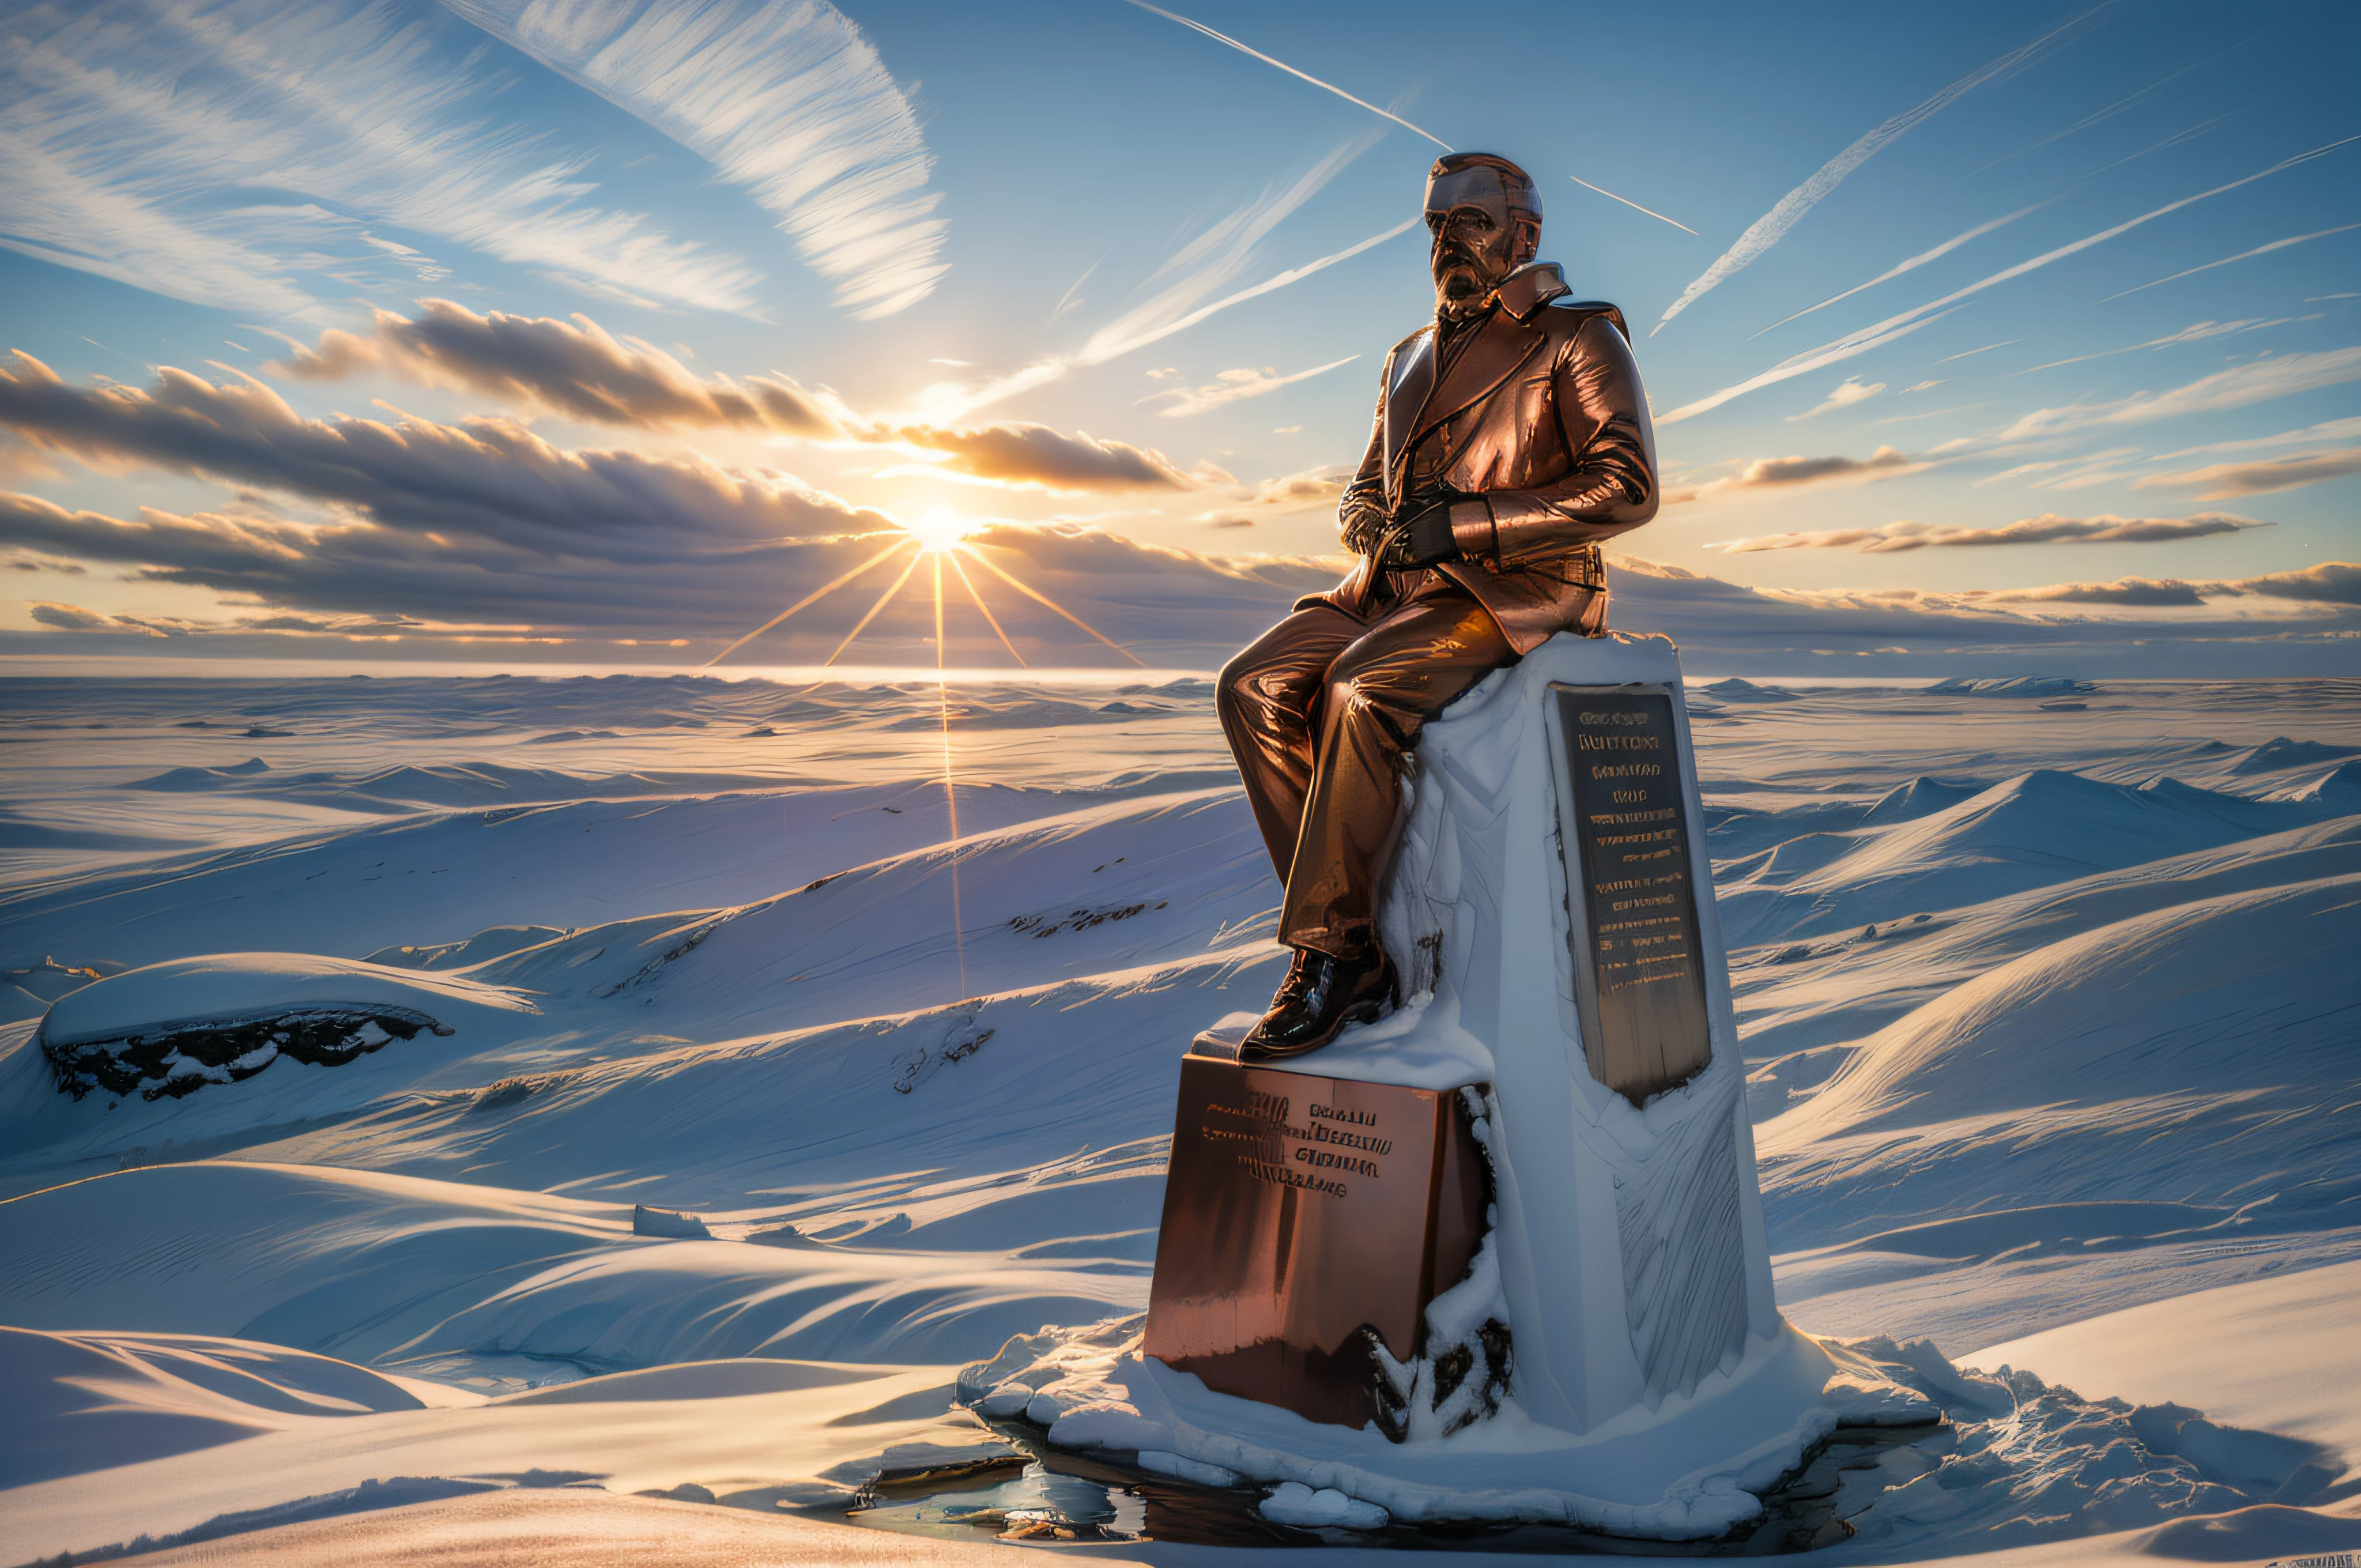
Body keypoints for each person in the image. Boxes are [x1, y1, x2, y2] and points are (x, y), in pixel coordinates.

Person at [1217, 151, 1662, 1058]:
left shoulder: (1580, 337)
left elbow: (1627, 487)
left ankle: (1333, 958)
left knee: (1359, 690)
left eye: (1470, 222)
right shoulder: (1408, 353)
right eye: (1435, 226)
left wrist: (1467, 525)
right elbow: (1365, 476)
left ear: (1525, 236)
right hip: (1391, 582)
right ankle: (1351, 913)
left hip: (1520, 586)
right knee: (1252, 684)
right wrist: (1360, 513)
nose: (1447, 243)